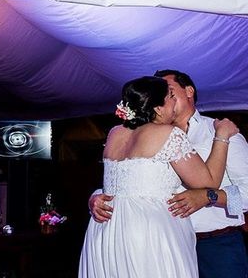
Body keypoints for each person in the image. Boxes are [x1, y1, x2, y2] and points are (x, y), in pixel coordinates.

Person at [89, 70, 248, 277]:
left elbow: (246, 196)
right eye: (165, 95)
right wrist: (97, 196)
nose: (169, 98)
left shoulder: (222, 133)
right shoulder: (142, 133)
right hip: (154, 244)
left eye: (171, 92)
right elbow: (129, 181)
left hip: (216, 245)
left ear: (189, 91)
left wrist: (210, 197)